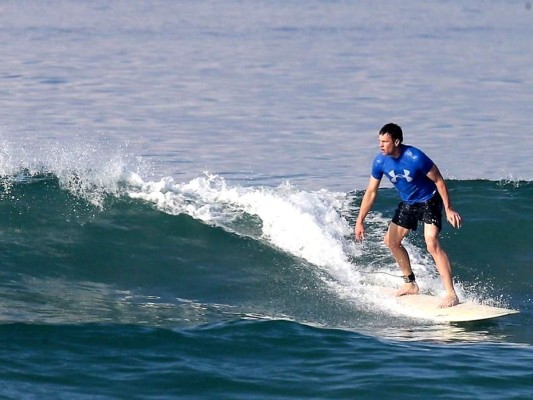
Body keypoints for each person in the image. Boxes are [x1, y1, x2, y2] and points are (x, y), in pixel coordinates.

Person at [354, 123, 462, 308]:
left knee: (432, 243)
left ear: (396, 141)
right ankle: (410, 284)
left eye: (385, 142)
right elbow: (371, 191)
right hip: (408, 203)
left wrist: (449, 208)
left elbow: (439, 180)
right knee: (391, 241)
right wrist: (360, 220)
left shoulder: (415, 157)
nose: (381, 145)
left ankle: (451, 294)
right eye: (379, 141)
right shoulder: (380, 161)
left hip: (429, 201)